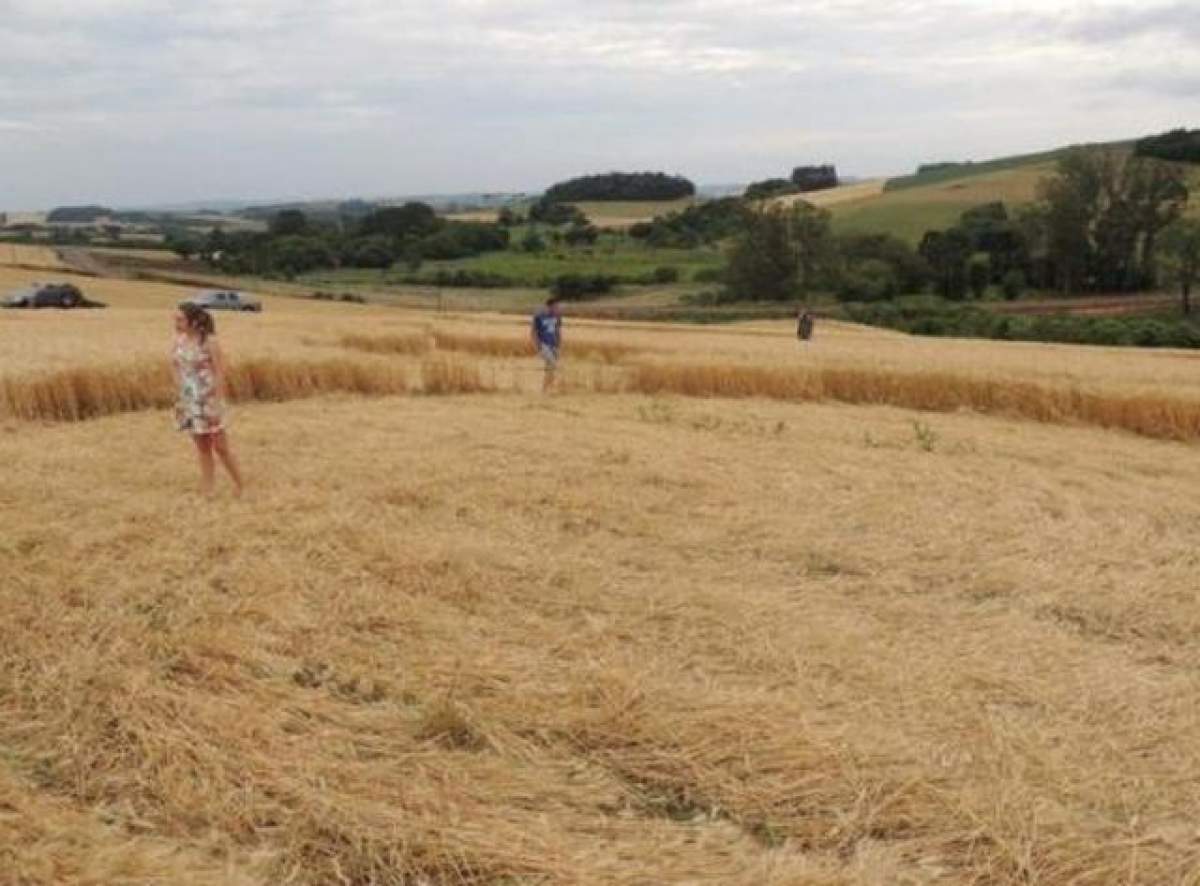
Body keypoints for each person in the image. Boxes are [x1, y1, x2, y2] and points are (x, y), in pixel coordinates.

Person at [173, 302, 244, 497]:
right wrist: (181, 396)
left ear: (194, 321)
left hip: (209, 399)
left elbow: (220, 372)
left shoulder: (209, 342)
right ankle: (208, 488)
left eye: (180, 319)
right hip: (189, 400)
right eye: (175, 319)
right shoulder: (178, 341)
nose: (176, 323)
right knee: (202, 447)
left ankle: (240, 485)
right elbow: (176, 368)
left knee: (220, 447)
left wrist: (217, 401)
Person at [530, 296, 563, 391]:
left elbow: (558, 331)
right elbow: (533, 332)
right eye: (556, 307)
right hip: (543, 344)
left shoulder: (557, 317)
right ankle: (546, 388)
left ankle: (546, 388)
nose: (558, 309)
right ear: (549, 306)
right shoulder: (539, 316)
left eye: (558, 307)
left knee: (550, 367)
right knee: (552, 364)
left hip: (553, 345)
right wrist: (537, 345)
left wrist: (559, 346)